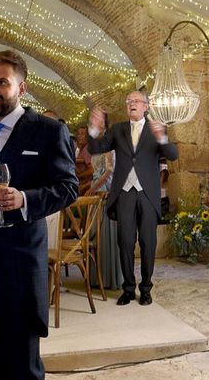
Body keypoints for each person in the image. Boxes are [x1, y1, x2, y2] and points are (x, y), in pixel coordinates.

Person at [0, 50, 78, 379]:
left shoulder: (48, 130)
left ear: (21, 88)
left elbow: (68, 187)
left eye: (2, 82)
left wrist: (25, 199)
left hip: (20, 262)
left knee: (23, 366)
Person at [88, 90, 178, 306]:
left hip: (148, 194)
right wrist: (94, 129)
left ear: (146, 106)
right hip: (125, 193)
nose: (131, 104)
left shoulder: (155, 128)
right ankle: (128, 289)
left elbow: (173, 155)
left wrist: (162, 137)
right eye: (128, 101)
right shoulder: (118, 129)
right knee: (125, 242)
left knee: (148, 243)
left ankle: (146, 289)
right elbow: (95, 148)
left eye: (136, 101)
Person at [86, 114, 122, 290]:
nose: (92, 121)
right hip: (96, 192)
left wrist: (95, 187)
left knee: (105, 234)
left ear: (104, 123)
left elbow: (109, 170)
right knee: (95, 234)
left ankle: (108, 278)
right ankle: (96, 278)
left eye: (96, 119)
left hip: (105, 192)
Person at [75, 126, 94, 194]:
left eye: (82, 134)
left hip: (85, 189)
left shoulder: (86, 149)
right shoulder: (82, 149)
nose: (79, 136)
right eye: (78, 134)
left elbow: (92, 170)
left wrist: (78, 176)